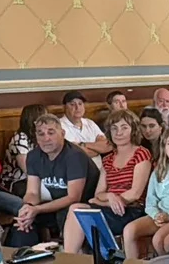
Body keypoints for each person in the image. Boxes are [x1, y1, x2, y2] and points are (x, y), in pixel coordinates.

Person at [60, 109, 152, 255]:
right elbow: (99, 193)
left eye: (124, 128)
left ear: (133, 130)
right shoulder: (108, 159)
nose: (118, 132)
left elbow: (135, 193)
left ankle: (83, 256)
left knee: (81, 213)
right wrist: (110, 197)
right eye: (114, 128)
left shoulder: (141, 153)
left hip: (131, 209)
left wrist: (105, 201)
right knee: (75, 209)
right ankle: (70, 257)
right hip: (110, 206)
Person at [9, 114, 98, 247]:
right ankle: (23, 256)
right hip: (56, 205)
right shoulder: (33, 156)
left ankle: (70, 256)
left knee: (64, 215)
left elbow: (73, 197)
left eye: (51, 133)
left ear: (62, 133)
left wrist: (37, 209)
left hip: (83, 206)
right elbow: (32, 192)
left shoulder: (75, 156)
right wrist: (28, 209)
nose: (46, 139)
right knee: (21, 224)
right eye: (41, 134)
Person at [124, 128, 169, 256]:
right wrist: (156, 215)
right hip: (159, 215)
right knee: (129, 230)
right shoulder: (158, 171)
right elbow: (150, 200)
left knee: (158, 240)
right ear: (164, 147)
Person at [2, 104, 48, 196]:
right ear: (34, 121)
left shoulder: (41, 137)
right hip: (19, 181)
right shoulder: (20, 138)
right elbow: (27, 169)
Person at [59, 91, 110, 158]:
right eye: (72, 104)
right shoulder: (59, 126)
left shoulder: (90, 123)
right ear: (64, 107)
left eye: (80, 104)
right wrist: (98, 149)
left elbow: (106, 146)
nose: (77, 107)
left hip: (98, 165)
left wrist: (83, 144)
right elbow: (76, 153)